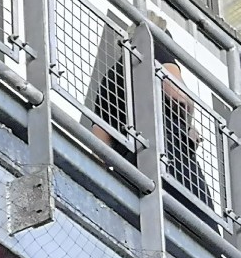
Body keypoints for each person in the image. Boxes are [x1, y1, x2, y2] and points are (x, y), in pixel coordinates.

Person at [92, 14, 216, 226]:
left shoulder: (110, 78)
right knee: (202, 235)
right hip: (170, 161)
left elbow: (99, 147)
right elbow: (179, 94)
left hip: (130, 177)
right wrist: (187, 126)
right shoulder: (156, 46)